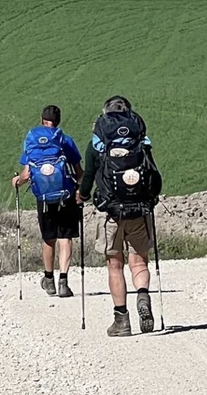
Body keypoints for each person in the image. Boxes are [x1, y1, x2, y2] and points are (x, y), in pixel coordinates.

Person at [77, 96, 162, 337]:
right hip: (139, 209)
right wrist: (151, 197)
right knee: (139, 262)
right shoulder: (140, 140)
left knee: (115, 265)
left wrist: (82, 197)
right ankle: (143, 296)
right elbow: (154, 174)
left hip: (112, 212)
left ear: (104, 114)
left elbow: (89, 176)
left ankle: (121, 321)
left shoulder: (98, 142)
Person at [12, 105, 83, 299]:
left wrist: (17, 181)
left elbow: (26, 174)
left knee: (48, 237)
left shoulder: (33, 141)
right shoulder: (65, 140)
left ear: (41, 119)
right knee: (65, 237)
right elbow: (79, 172)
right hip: (66, 195)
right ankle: (63, 281)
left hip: (44, 198)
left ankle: (48, 279)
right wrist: (80, 190)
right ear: (59, 121)